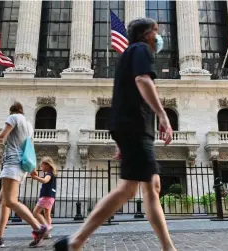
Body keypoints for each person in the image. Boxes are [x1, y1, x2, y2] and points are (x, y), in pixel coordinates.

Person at [54, 18, 177, 251]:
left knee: (150, 185)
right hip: (136, 127)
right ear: (146, 34)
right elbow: (142, 80)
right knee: (133, 188)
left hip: (132, 128)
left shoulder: (127, 55)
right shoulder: (141, 49)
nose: (159, 37)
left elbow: (123, 95)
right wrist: (163, 115)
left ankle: (76, 241)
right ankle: (75, 240)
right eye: (156, 32)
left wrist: (121, 137)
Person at [0, 101, 50, 248]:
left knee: (10, 200)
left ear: (12, 111)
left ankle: (38, 227)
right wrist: (32, 167)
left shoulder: (13, 118)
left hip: (12, 163)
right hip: (22, 165)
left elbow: (1, 138)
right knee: (3, 200)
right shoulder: (28, 125)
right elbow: (30, 146)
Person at [31, 156, 57, 239]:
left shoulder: (49, 174)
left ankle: (46, 227)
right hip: (51, 197)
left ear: (48, 165)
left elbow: (45, 180)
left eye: (42, 165)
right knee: (47, 214)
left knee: (35, 212)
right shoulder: (52, 173)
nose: (41, 167)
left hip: (46, 197)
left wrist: (35, 177)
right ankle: (47, 233)